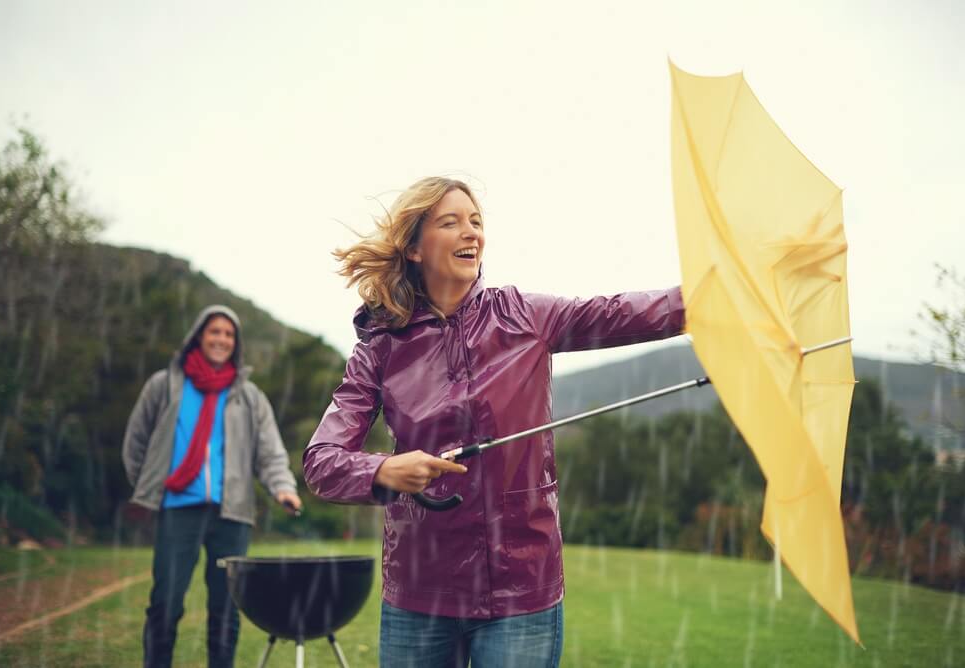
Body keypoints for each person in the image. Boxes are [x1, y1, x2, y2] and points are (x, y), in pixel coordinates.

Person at [302, 177, 685, 667]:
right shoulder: (380, 346)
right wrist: (383, 471)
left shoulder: (524, 315)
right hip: (420, 592)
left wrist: (719, 295)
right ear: (415, 248)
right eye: (451, 222)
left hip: (522, 589)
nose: (471, 233)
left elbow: (623, 313)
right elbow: (321, 462)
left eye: (476, 222)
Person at [123, 305, 302, 668]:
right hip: (176, 509)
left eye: (228, 334)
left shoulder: (249, 396)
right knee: (166, 603)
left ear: (235, 344)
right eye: (214, 332)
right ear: (198, 336)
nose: (221, 339)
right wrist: (148, 488)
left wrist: (282, 487)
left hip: (231, 515)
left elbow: (269, 452)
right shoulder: (165, 386)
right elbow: (136, 443)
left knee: (226, 609)